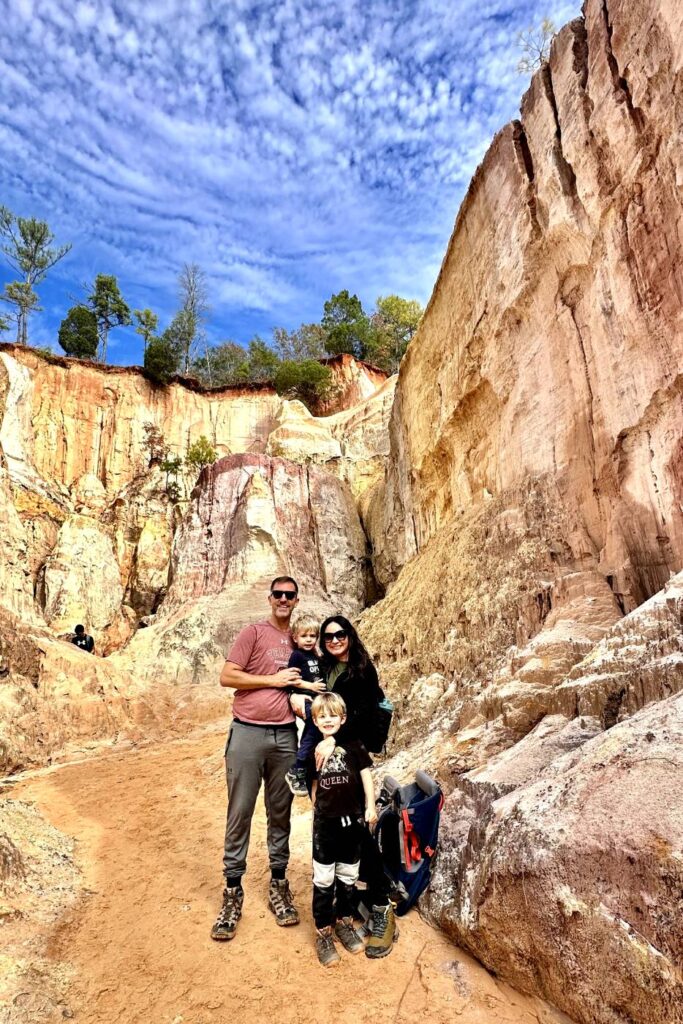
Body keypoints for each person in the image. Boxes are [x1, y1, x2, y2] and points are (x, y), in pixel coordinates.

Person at [291, 614, 398, 959]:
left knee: (361, 837)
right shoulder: (322, 666)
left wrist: (334, 742)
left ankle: (382, 907)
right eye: (328, 636)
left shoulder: (362, 671)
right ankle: (342, 911)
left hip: (351, 760)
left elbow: (363, 721)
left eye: (340, 634)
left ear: (350, 636)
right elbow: (317, 705)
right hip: (327, 765)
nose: (334, 640)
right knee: (337, 835)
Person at [210, 576, 303, 942]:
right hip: (247, 733)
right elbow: (227, 676)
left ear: (296, 600)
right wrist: (274, 681)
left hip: (285, 737)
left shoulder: (298, 640)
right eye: (278, 594)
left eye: (289, 595)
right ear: (270, 598)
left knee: (280, 812)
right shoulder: (254, 632)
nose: (283, 599)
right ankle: (233, 891)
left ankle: (279, 884)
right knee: (241, 811)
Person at [308, 692, 376, 967]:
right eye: (321, 716)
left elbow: (365, 775)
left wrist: (370, 806)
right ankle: (323, 931)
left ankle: (344, 922)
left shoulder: (353, 744)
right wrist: (317, 806)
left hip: (352, 820)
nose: (327, 720)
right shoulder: (313, 747)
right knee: (324, 879)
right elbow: (312, 781)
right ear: (314, 720)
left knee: (348, 874)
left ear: (342, 718)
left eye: (333, 715)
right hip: (325, 824)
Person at [284, 614, 326, 797]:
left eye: (313, 636)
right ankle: (297, 768)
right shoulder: (297, 656)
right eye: (304, 636)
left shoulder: (315, 655)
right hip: (306, 699)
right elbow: (292, 680)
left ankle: (305, 767)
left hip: (318, 700)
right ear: (295, 638)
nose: (309, 640)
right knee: (315, 727)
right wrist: (311, 687)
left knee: (317, 730)